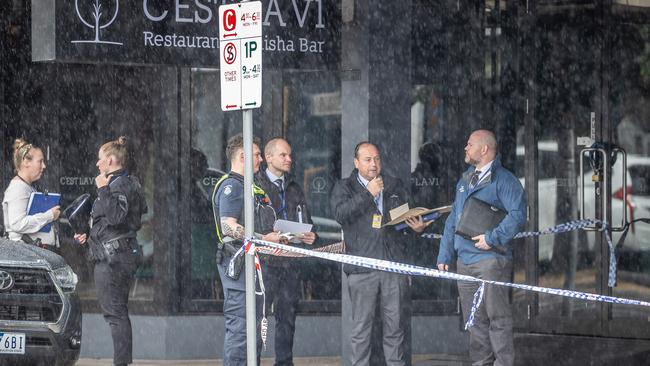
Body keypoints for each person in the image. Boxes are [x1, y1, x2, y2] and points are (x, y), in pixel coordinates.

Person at [331, 142, 431, 366]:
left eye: (377, 159)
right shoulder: (344, 187)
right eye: (367, 160)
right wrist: (368, 194)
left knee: (395, 329)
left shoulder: (394, 185)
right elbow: (341, 214)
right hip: (362, 268)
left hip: (392, 267)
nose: (374, 164)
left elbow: (403, 218)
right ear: (356, 163)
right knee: (361, 331)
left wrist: (416, 228)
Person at [436, 130, 526, 366]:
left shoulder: (505, 181)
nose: (465, 148)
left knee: (498, 318)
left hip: (490, 260)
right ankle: (481, 363)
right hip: (464, 262)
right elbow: (453, 219)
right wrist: (445, 253)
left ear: (484, 149)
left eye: (470, 144)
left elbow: (518, 216)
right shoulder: (465, 180)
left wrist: (492, 238)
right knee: (473, 320)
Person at [74, 136, 147, 366]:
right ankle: (122, 362)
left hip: (114, 258)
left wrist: (103, 189)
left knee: (115, 314)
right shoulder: (127, 183)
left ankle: (121, 363)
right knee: (118, 312)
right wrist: (89, 235)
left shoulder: (119, 184)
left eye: (100, 159)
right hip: (118, 253)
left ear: (111, 160)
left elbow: (116, 216)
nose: (97, 164)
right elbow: (117, 222)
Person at [212, 134, 283, 366]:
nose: (261, 159)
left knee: (254, 332)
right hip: (239, 269)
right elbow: (228, 226)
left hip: (253, 270)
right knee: (241, 331)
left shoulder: (251, 187)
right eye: (256, 155)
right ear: (242, 157)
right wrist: (264, 239)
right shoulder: (232, 186)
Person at [255, 137, 316, 366]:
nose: (289, 159)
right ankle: (254, 360)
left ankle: (284, 362)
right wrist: (266, 234)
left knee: (287, 317)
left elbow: (305, 219)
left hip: (291, 261)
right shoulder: (256, 185)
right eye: (283, 155)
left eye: (290, 155)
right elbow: (249, 224)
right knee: (259, 317)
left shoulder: (293, 186)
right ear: (268, 158)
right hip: (266, 261)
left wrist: (311, 235)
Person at [2, 138, 60, 250]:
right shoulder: (18, 188)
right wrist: (50, 215)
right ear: (26, 162)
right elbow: (18, 224)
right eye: (40, 161)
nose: (44, 166)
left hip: (34, 253)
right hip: (27, 255)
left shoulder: (26, 186)